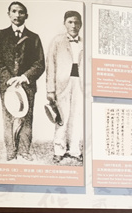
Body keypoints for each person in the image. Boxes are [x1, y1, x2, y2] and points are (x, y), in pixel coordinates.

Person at [0, 1, 44, 161]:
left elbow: (39, 63)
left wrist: (24, 77)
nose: (17, 15)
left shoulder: (34, 37)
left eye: (21, 12)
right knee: (8, 119)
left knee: (26, 118)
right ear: (8, 14)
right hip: (7, 85)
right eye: (14, 11)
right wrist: (8, 78)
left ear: (26, 16)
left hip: (26, 85)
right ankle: (11, 151)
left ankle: (24, 151)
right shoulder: (0, 35)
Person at [45, 10, 83, 164]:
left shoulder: (85, 42)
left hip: (80, 83)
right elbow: (50, 66)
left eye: (76, 22)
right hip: (62, 84)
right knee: (61, 117)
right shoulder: (57, 41)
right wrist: (50, 90)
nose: (73, 25)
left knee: (77, 116)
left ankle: (74, 150)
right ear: (64, 23)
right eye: (70, 22)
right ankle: (59, 150)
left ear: (81, 24)